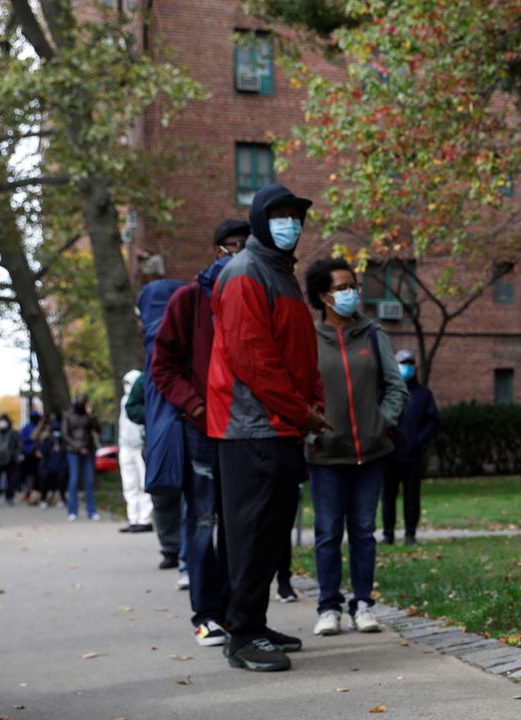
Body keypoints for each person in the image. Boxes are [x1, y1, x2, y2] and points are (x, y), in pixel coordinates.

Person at [208, 183, 329, 672]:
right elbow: (254, 361)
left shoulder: (281, 275)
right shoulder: (245, 274)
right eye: (279, 215)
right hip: (252, 427)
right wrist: (303, 411)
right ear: (259, 220)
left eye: (296, 216)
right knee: (253, 531)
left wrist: (310, 403)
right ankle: (241, 635)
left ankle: (253, 622)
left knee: (271, 531)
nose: (291, 224)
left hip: (278, 425)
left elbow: (299, 353)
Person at [151, 217, 248, 647]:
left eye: (247, 245)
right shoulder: (189, 300)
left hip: (245, 428)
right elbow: (162, 367)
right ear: (216, 250)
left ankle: (236, 612)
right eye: (231, 245)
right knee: (204, 517)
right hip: (202, 428)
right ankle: (206, 614)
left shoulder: (253, 295)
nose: (239, 252)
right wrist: (194, 405)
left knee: (238, 522)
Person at [302, 258, 408, 636]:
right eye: (342, 287)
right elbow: (298, 394)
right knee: (328, 532)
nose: (351, 294)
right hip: (326, 455)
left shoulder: (373, 333)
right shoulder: (308, 338)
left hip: (370, 453)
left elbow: (397, 386)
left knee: (363, 531)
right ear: (323, 295)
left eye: (354, 286)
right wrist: (311, 430)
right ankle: (328, 606)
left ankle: (363, 603)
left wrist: (382, 422)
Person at [136, 273, 189, 578]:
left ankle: (178, 551)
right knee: (185, 497)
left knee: (169, 493)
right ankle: (182, 554)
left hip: (164, 432)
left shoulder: (154, 349)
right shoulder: (185, 340)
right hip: (184, 424)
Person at [381, 349, 437, 546]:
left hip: (413, 455)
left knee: (412, 497)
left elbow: (431, 421)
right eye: (402, 363)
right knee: (387, 496)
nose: (406, 367)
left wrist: (418, 440)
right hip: (389, 454)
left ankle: (410, 534)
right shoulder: (388, 392)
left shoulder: (423, 394)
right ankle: (388, 533)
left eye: (409, 363)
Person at [117, 370, 154, 533]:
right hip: (125, 448)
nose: (127, 386)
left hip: (139, 447)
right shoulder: (124, 401)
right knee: (130, 485)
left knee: (144, 484)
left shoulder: (143, 401)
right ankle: (133, 518)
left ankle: (145, 519)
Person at [62, 396, 101, 521]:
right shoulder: (68, 416)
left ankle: (91, 510)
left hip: (88, 451)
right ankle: (72, 510)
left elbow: (97, 429)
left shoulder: (88, 417)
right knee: (74, 480)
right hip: (73, 451)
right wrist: (79, 447)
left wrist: (92, 416)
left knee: (89, 481)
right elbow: (65, 434)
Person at [0, 414, 22, 506]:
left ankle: (9, 497)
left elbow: (18, 446)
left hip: (10, 460)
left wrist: (15, 455)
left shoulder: (14, 433)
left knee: (11, 480)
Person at [36, 417, 67, 508]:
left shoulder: (63, 442)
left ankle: (62, 499)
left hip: (60, 467)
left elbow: (65, 456)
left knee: (62, 477)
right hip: (48, 467)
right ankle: (43, 499)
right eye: (54, 431)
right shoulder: (47, 441)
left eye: (58, 431)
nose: (56, 433)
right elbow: (42, 452)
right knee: (44, 477)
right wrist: (50, 443)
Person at [18, 410, 42, 504]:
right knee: (29, 475)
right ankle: (29, 492)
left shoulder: (38, 427)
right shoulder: (27, 427)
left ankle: (35, 493)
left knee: (36, 475)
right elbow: (23, 439)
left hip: (38, 454)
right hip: (29, 455)